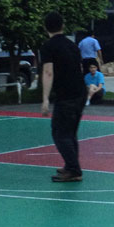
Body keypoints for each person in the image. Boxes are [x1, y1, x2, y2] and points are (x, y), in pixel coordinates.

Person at [40, 11, 86, 183]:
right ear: (63, 26)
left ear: (45, 27)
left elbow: (48, 72)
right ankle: (71, 165)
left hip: (66, 95)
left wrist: (45, 98)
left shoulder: (48, 46)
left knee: (60, 133)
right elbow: (80, 69)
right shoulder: (72, 45)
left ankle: (74, 169)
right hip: (79, 93)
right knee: (70, 132)